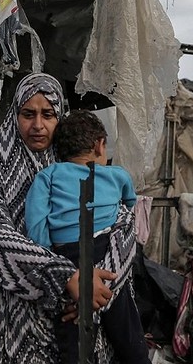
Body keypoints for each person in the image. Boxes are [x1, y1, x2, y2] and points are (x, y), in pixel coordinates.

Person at [0, 73, 138, 363]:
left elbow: (122, 225)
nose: (38, 125)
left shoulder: (75, 162)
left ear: (60, 116)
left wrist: (96, 288)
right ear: (14, 115)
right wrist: (66, 277)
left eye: (48, 114)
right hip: (17, 321)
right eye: (28, 114)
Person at [25, 110, 151, 364]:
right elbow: (128, 207)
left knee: (72, 334)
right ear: (99, 145)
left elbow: (36, 226)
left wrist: (50, 259)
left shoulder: (46, 176)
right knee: (128, 331)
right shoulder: (118, 175)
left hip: (68, 257)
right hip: (108, 252)